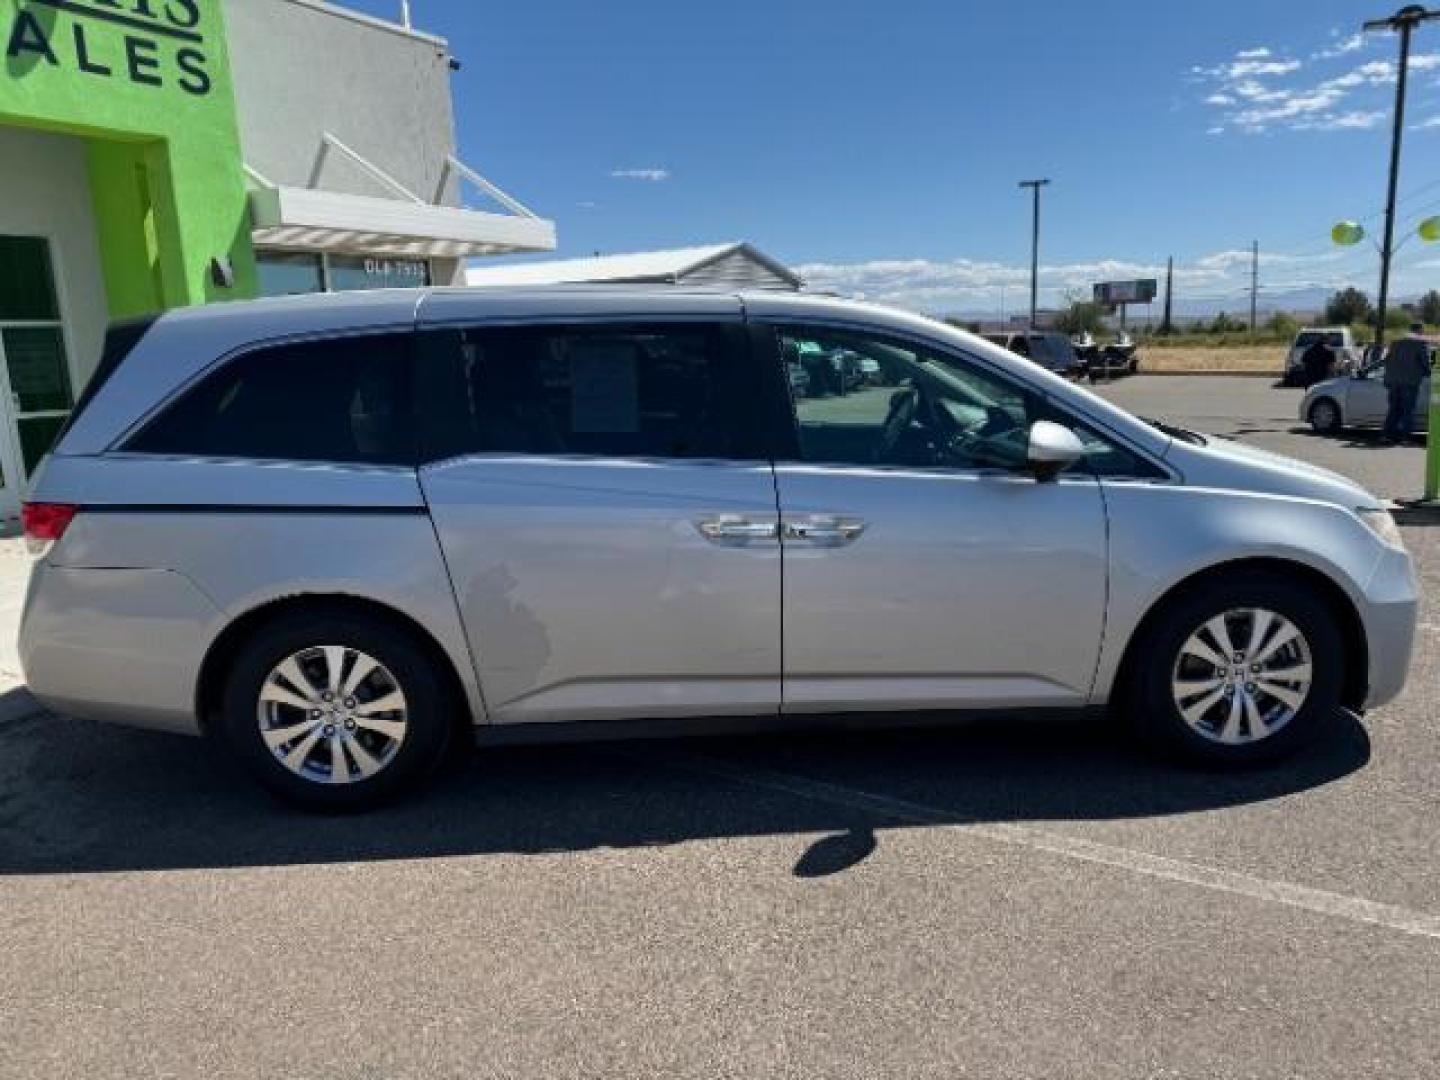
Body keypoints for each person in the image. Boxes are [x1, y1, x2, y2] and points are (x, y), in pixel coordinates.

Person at [1382, 323, 1432, 444]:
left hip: (1394, 382)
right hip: (1410, 382)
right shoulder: (1420, 344)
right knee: (1407, 410)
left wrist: (1388, 379)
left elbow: (1387, 360)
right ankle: (1405, 438)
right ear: (1419, 331)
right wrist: (1429, 372)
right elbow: (1425, 363)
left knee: (1393, 409)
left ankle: (1387, 436)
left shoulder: (1396, 343)